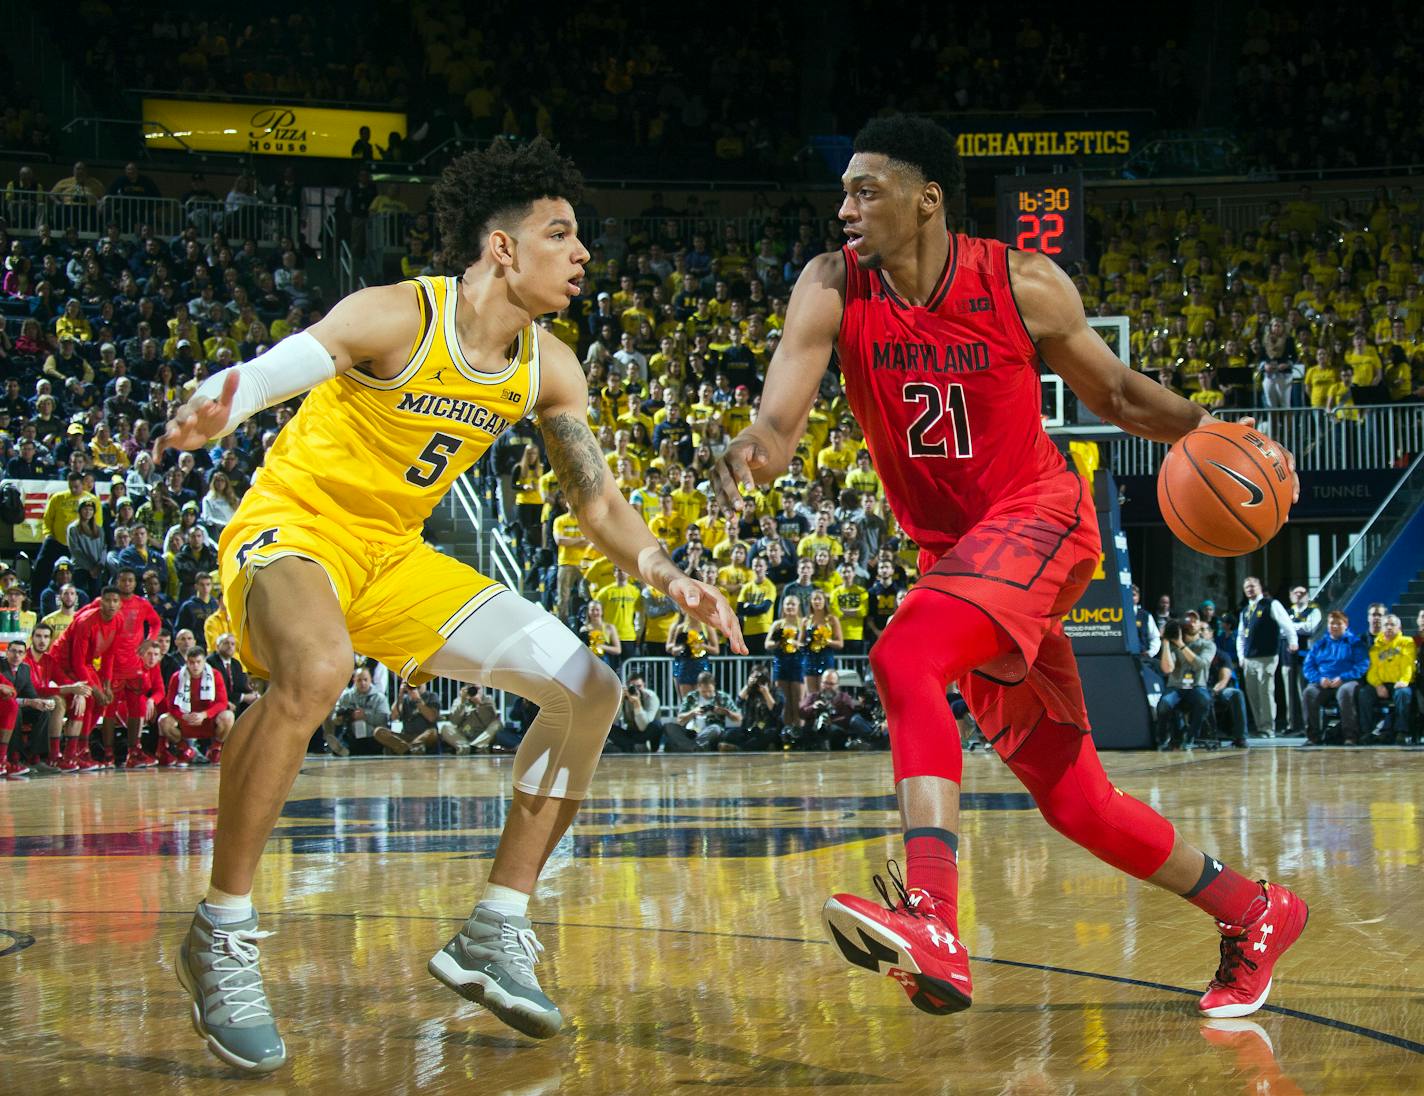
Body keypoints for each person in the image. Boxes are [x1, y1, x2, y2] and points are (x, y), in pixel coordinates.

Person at [154, 137, 742, 1072]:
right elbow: (284, 365)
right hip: (294, 532)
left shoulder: (550, 368)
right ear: (502, 248)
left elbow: (595, 503)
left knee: (588, 688)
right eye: (561, 234)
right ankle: (221, 932)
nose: (584, 252)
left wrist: (667, 574)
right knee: (317, 668)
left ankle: (495, 928)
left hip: (394, 560)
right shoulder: (400, 312)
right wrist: (225, 399)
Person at [710, 115, 1306, 1021]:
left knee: (905, 656)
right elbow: (780, 424)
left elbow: (1112, 395)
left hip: (1040, 518)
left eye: (867, 190)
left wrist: (1210, 430)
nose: (846, 208)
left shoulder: (1020, 280)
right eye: (845, 192)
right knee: (1077, 801)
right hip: (957, 558)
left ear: (927, 199)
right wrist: (751, 449)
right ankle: (1255, 912)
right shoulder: (830, 286)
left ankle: (934, 922)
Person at [1235, 577, 1298, 738]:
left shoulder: (1271, 604)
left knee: (1265, 692)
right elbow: (1241, 636)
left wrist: (1293, 641)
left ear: (1260, 587)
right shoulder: (1245, 611)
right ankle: (1259, 726)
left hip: (1267, 656)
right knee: (1253, 694)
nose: (1250, 589)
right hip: (1249, 659)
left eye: (1253, 586)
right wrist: (1241, 657)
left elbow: (1287, 624)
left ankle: (1268, 728)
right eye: (1247, 587)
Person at [1301, 611, 1369, 744]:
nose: (1335, 626)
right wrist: (1319, 679)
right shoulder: (1319, 645)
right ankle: (1313, 737)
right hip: (1323, 682)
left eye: (1339, 623)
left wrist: (1343, 678)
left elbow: (1362, 666)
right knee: (1309, 692)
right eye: (1332, 623)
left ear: (1346, 625)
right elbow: (1308, 667)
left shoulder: (1355, 643)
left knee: (1345, 692)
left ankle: (1350, 736)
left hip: (1347, 681)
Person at [158, 646, 234, 764]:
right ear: (186, 662)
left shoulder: (215, 675)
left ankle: (215, 749)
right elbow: (171, 705)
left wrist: (204, 714)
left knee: (228, 716)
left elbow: (222, 703)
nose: (195, 666)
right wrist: (184, 716)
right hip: (186, 720)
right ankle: (184, 749)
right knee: (163, 720)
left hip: (208, 720)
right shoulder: (177, 677)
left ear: (204, 661)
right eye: (192, 662)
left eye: (198, 662)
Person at [1155, 618, 1216, 750]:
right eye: (1188, 620)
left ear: (1200, 626)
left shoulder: (1207, 644)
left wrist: (1181, 644)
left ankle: (1190, 737)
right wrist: (1165, 642)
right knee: (1164, 704)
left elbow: (1201, 664)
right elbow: (1167, 669)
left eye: (1195, 620)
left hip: (1196, 687)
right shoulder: (1173, 645)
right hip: (1176, 687)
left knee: (1204, 700)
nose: (1191, 623)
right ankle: (1162, 739)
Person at [1361, 614, 1415, 745]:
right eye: (1386, 625)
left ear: (1399, 627)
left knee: (1403, 693)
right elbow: (1371, 671)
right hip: (1381, 685)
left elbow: (1409, 664)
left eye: (1392, 625)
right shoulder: (1375, 647)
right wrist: (1378, 685)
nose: (1389, 627)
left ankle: (1402, 732)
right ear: (1381, 628)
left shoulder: (1407, 642)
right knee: (1364, 693)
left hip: (1400, 684)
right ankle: (1366, 732)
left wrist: (1404, 681)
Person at [673, 670, 742, 749]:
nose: (707, 694)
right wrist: (693, 712)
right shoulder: (691, 697)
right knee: (669, 727)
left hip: (713, 732)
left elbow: (738, 718)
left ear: (714, 686)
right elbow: (679, 720)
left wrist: (726, 712)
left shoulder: (723, 697)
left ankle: (693, 746)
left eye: (710, 691)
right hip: (693, 731)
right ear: (698, 687)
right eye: (703, 692)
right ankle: (695, 745)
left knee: (715, 729)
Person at [608, 672, 665, 752]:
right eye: (633, 687)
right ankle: (635, 747)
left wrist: (637, 703)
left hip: (647, 731)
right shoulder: (624, 697)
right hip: (632, 732)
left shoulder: (651, 697)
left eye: (639, 686)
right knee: (609, 728)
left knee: (657, 725)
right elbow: (613, 721)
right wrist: (620, 701)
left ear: (644, 685)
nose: (636, 690)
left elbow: (643, 726)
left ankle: (632, 747)